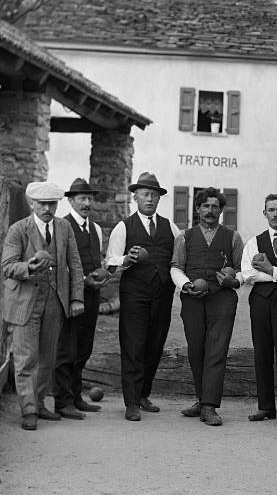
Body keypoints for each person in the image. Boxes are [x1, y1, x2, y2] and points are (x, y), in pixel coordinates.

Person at [1, 181, 85, 431]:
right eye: (43, 204)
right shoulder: (19, 230)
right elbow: (7, 266)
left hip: (54, 300)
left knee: (47, 358)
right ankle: (28, 410)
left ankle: (39, 403)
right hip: (25, 301)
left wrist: (76, 298)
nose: (48, 208)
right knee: (27, 358)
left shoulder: (64, 228)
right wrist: (28, 268)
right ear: (32, 204)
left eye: (52, 203)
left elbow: (75, 265)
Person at [105, 172, 181, 422]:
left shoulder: (170, 226)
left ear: (159, 199)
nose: (150, 199)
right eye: (146, 195)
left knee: (155, 344)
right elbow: (111, 262)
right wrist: (127, 259)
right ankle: (131, 402)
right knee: (134, 346)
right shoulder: (124, 226)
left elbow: (180, 257)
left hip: (162, 293)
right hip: (135, 294)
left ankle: (144, 393)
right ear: (135, 197)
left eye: (155, 195)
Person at [170, 188, 244, 426]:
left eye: (215, 207)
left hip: (222, 299)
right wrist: (187, 284)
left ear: (221, 210)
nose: (210, 211)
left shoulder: (233, 237)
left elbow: (243, 270)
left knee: (217, 349)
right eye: (206, 206)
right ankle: (202, 399)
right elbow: (176, 267)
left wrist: (234, 279)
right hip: (192, 298)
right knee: (196, 349)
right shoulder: (184, 237)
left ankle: (210, 406)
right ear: (197, 209)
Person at [240, 194, 277, 426]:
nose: (276, 214)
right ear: (264, 213)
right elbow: (248, 275)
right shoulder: (254, 242)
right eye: (271, 210)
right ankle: (265, 406)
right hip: (260, 303)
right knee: (262, 354)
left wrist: (269, 269)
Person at [53, 178, 109, 419]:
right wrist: (82, 280)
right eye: (81, 198)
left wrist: (102, 276)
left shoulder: (95, 229)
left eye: (89, 198)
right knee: (67, 348)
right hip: (69, 296)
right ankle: (62, 401)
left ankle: (76, 397)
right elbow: (57, 266)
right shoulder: (61, 227)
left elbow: (99, 261)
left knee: (84, 348)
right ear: (71, 200)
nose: (87, 203)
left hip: (92, 295)